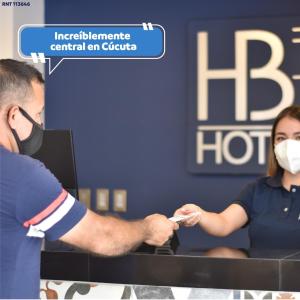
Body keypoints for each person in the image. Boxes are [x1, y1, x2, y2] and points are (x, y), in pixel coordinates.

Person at [0, 59, 178, 299]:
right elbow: (102, 238)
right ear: (13, 115)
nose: (40, 123)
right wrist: (148, 229)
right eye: (37, 113)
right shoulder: (23, 176)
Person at [174, 104, 300, 249]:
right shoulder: (259, 189)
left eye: (298, 137)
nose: (289, 145)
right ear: (273, 143)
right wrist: (197, 213)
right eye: (281, 138)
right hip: (262, 272)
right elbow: (223, 223)